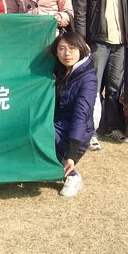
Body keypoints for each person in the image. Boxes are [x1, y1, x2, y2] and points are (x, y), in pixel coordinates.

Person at [73, 0, 128, 146]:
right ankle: (90, 130)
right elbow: (80, 11)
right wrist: (81, 41)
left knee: (115, 87)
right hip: (96, 41)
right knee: (92, 87)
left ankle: (112, 127)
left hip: (119, 42)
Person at [51, 31, 97, 197]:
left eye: (72, 48)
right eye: (61, 49)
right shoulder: (60, 70)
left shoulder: (88, 79)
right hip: (57, 123)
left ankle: (72, 176)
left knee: (41, 134)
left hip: (76, 131)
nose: (67, 53)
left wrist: (72, 153)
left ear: (81, 49)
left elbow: (81, 115)